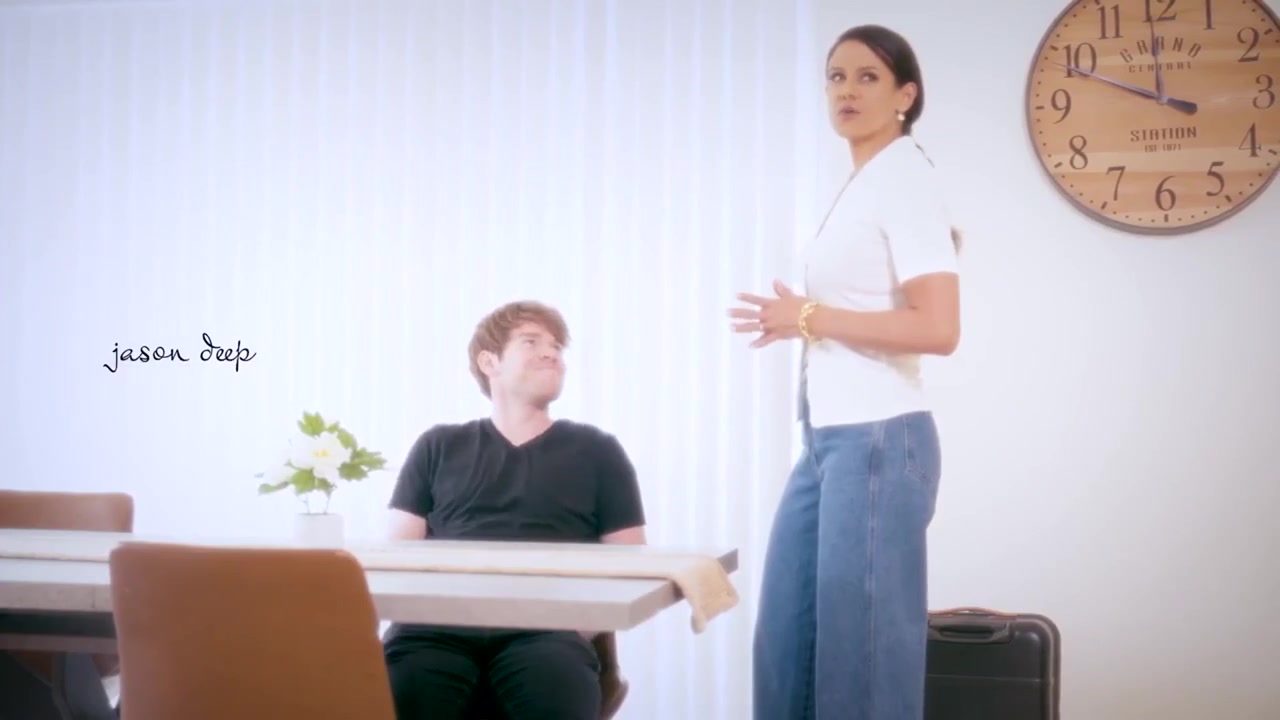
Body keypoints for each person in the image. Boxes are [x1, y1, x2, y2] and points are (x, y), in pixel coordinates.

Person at [729, 25, 962, 720]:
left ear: (905, 96)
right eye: (836, 76)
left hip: (879, 439)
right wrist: (803, 321)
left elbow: (938, 327)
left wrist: (810, 316)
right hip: (827, 443)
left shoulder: (906, 179)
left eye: (867, 77)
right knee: (787, 647)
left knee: (861, 673)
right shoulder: (865, 183)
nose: (847, 91)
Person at [382, 300, 648, 720]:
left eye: (556, 346)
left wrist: (573, 624)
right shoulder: (438, 446)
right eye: (531, 342)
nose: (551, 353)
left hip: (547, 631)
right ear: (489, 362)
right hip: (434, 630)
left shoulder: (597, 450)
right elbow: (396, 560)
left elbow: (630, 566)